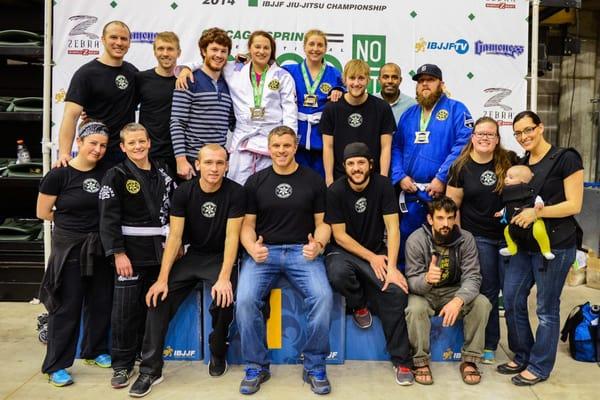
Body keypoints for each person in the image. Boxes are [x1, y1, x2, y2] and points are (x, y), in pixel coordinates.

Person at [128, 144, 245, 397]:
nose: (214, 168)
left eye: (219, 163)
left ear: (226, 165)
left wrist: (225, 277)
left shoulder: (236, 193)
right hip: (193, 256)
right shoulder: (183, 193)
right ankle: (150, 370)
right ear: (198, 165)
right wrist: (162, 279)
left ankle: (217, 352)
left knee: (225, 299)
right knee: (158, 298)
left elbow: (232, 238)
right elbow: (175, 237)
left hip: (220, 258)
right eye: (209, 162)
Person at [236, 126, 333, 395]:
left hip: (303, 252)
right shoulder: (255, 182)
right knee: (244, 301)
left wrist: (319, 245)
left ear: (295, 146)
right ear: (269, 147)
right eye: (276, 146)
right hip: (264, 252)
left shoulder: (313, 180)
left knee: (323, 297)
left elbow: (323, 223)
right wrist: (251, 248)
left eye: (286, 146)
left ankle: (314, 365)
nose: (281, 151)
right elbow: (246, 226)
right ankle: (256, 365)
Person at [497, 111, 583, 386]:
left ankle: (539, 365)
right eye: (519, 133)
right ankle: (523, 353)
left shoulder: (565, 158)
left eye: (528, 130)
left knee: (546, 309)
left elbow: (574, 205)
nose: (524, 137)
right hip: (523, 245)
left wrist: (538, 214)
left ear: (540, 127)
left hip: (555, 246)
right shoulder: (522, 163)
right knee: (511, 299)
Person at [325, 142, 414, 385]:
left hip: (376, 250)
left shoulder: (383, 186)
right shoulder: (335, 191)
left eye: (361, 162)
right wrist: (372, 258)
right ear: (344, 167)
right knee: (338, 273)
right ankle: (359, 304)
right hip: (344, 251)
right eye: (351, 163)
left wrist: (392, 267)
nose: (356, 168)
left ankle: (402, 360)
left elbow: (393, 228)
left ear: (370, 164)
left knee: (395, 291)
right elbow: (340, 236)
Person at [98, 123, 176, 389]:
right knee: (124, 311)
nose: (138, 147)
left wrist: (174, 246)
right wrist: (117, 253)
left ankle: (148, 359)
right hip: (129, 254)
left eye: (141, 141)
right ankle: (122, 365)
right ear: (122, 147)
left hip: (159, 252)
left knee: (153, 310)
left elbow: (173, 214)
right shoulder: (115, 175)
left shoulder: (163, 174)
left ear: (149, 142)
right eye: (131, 143)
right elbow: (108, 219)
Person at [38, 120, 113, 387]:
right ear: (79, 143)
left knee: (101, 301)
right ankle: (56, 365)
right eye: (93, 143)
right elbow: (43, 212)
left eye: (103, 145)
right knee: (66, 307)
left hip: (100, 246)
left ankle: (95, 350)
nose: (98, 149)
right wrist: (71, 226)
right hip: (70, 247)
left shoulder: (108, 172)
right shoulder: (59, 174)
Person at [176, 30, 297, 185]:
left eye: (266, 48)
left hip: (270, 140)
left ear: (272, 50)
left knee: (268, 187)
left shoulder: (282, 76)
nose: (261, 51)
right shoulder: (234, 69)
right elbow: (209, 62)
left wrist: (289, 144)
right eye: (257, 47)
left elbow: (290, 113)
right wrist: (186, 68)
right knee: (237, 187)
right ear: (250, 49)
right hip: (242, 141)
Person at [391, 63, 473, 269]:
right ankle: (404, 294)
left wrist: (441, 177)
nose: (424, 84)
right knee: (406, 247)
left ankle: (441, 293)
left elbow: (463, 145)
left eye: (430, 80)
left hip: (440, 195)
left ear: (441, 84)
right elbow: (396, 148)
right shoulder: (409, 115)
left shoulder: (456, 109)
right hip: (410, 193)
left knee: (441, 251)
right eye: (420, 81)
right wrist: (400, 176)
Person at [446, 116, 514, 364]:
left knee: (512, 292)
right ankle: (488, 343)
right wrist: (461, 242)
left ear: (497, 139)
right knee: (487, 291)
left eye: (490, 134)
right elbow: (452, 207)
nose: (485, 138)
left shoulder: (509, 161)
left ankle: (519, 347)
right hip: (479, 238)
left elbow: (527, 188)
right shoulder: (460, 167)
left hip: (509, 238)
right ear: (473, 137)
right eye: (480, 134)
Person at [404, 196, 491, 385]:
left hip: (453, 291)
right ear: (430, 219)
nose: (446, 223)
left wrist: (458, 299)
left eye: (450, 218)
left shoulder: (465, 239)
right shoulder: (415, 240)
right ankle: (420, 362)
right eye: (441, 218)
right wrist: (426, 279)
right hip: (424, 293)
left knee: (482, 303)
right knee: (414, 309)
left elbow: (473, 277)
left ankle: (470, 360)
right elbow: (411, 280)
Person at [56, 20, 137, 167]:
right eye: (113, 37)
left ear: (130, 43)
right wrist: (64, 154)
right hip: (96, 152)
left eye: (124, 39)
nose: (119, 42)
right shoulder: (86, 74)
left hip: (126, 153)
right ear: (103, 39)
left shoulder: (133, 72)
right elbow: (71, 116)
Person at [170, 28, 234, 180]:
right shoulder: (188, 80)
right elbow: (177, 122)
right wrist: (181, 160)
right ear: (203, 51)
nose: (219, 55)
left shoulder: (229, 83)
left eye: (223, 51)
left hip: (218, 161)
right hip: (194, 162)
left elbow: (233, 122)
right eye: (214, 49)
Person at [321, 59, 396, 186]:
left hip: (373, 180)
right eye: (352, 78)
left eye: (361, 78)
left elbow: (386, 147)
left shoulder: (382, 108)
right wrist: (329, 179)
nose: (356, 83)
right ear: (344, 80)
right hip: (341, 179)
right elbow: (328, 147)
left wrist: (383, 179)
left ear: (368, 80)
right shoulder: (331, 108)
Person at [282, 29, 344, 176]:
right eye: (311, 44)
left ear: (325, 48)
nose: (315, 49)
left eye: (320, 45)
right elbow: (267, 71)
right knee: (297, 181)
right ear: (304, 47)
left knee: (320, 183)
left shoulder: (334, 73)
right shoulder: (288, 71)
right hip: (297, 133)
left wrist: (339, 90)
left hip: (322, 137)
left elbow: (347, 91)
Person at [136, 32, 181, 174]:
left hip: (180, 155)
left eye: (170, 49)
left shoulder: (186, 80)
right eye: (161, 49)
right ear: (154, 52)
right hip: (148, 154)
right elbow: (121, 106)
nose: (165, 53)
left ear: (178, 52)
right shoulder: (141, 79)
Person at [496, 165, 553, 260]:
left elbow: (537, 198)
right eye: (506, 176)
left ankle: (546, 250)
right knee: (507, 231)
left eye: (510, 177)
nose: (506, 179)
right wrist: (501, 212)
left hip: (533, 222)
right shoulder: (508, 193)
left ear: (522, 181)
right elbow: (509, 206)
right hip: (516, 224)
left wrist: (539, 203)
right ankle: (512, 248)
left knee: (539, 230)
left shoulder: (528, 191)